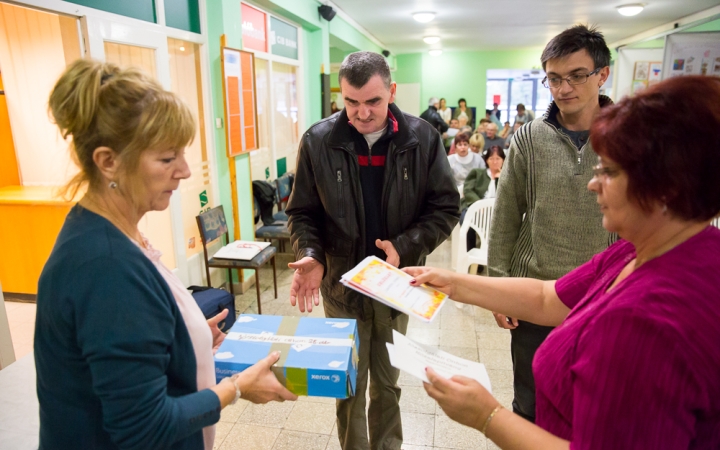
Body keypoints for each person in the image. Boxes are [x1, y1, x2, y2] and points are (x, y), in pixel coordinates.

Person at [405, 74, 720, 450]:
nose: (592, 183)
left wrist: (487, 416)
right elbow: (548, 297)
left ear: (668, 186)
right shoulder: (647, 248)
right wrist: (455, 283)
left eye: (610, 171)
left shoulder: (646, 323)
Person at [34, 59, 296, 450]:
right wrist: (235, 389)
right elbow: (145, 428)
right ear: (109, 162)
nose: (186, 171)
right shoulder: (104, 267)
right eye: (167, 158)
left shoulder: (112, 231)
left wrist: (183, 346)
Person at [285, 51, 460, 450]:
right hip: (341, 288)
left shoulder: (422, 139)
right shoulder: (318, 140)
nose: (361, 114)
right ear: (341, 96)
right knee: (347, 385)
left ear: (391, 91)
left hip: (396, 286)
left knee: (386, 384)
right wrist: (311, 253)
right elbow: (302, 212)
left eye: (373, 101)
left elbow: (446, 208)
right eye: (351, 102)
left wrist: (405, 246)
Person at [488, 24, 615, 424]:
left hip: (603, 295)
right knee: (530, 404)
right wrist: (498, 285)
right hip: (533, 292)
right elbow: (506, 212)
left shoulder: (628, 136)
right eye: (554, 79)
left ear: (602, 74)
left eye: (577, 75)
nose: (564, 88)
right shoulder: (529, 138)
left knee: (594, 407)